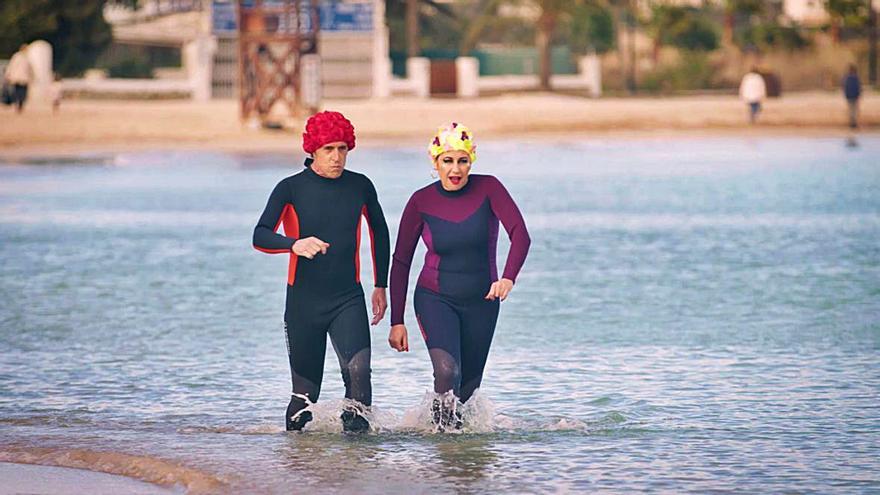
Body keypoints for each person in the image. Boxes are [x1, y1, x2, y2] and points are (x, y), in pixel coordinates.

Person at [253, 111, 390, 433]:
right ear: (313, 149)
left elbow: (380, 234)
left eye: (343, 148)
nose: (337, 157)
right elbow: (260, 235)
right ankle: (299, 468)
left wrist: (380, 285)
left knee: (359, 377)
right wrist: (294, 244)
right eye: (329, 149)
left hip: (348, 299)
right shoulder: (290, 189)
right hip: (304, 303)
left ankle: (356, 465)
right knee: (304, 396)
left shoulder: (360, 185)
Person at [388, 123, 531, 430]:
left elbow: (520, 235)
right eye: (448, 160)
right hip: (434, 298)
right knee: (447, 372)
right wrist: (396, 321)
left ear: (471, 161)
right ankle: (441, 437)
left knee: (467, 389)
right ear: (435, 162)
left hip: (483, 301)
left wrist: (507, 278)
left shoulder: (489, 188)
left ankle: (458, 465)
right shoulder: (420, 201)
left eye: (462, 160)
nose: (456, 169)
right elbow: (401, 261)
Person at [4, 44, 34, 114]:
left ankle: (17, 104)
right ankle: (20, 104)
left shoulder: (16, 56)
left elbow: (11, 66)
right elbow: (30, 69)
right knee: (22, 92)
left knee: (17, 91)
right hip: (23, 78)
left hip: (17, 78)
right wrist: (32, 77)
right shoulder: (26, 58)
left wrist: (8, 75)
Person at [843, 64, 862, 129]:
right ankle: (853, 123)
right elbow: (858, 87)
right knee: (853, 110)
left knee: (851, 110)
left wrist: (846, 95)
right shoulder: (856, 78)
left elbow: (846, 88)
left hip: (851, 97)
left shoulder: (848, 78)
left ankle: (852, 123)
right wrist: (858, 95)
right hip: (854, 96)